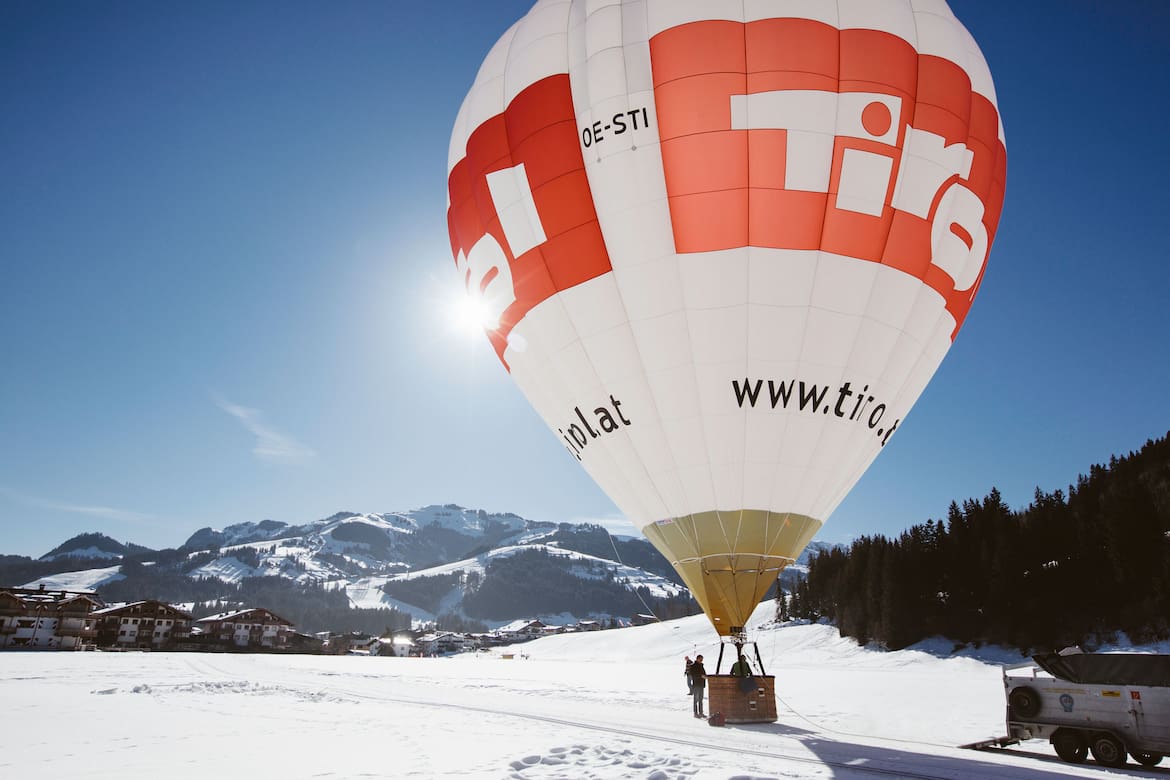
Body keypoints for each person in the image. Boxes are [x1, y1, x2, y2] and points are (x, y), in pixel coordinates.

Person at [690, 654, 707, 718]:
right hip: (696, 684)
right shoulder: (693, 666)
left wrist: (705, 676)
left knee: (700, 699)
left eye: (702, 659)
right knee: (696, 699)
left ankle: (701, 712)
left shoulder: (701, 665)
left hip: (701, 684)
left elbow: (704, 673)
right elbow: (693, 675)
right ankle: (695, 713)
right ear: (697, 659)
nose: (701, 660)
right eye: (700, 659)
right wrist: (701, 676)